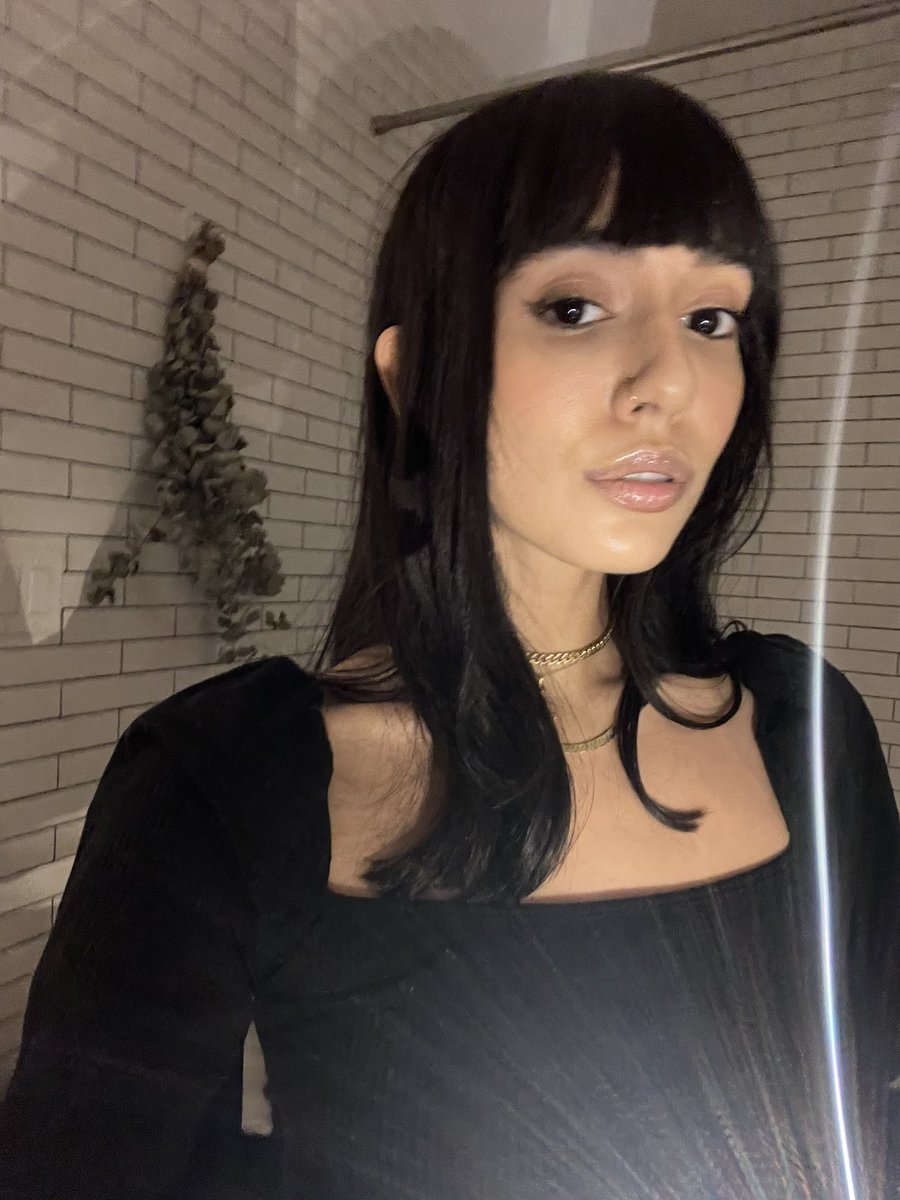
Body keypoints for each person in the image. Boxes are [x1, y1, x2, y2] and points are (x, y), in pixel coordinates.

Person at [0, 70, 897, 1200]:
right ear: (418, 373)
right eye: (574, 306)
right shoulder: (230, 780)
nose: (671, 381)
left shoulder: (807, 732)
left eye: (711, 318)